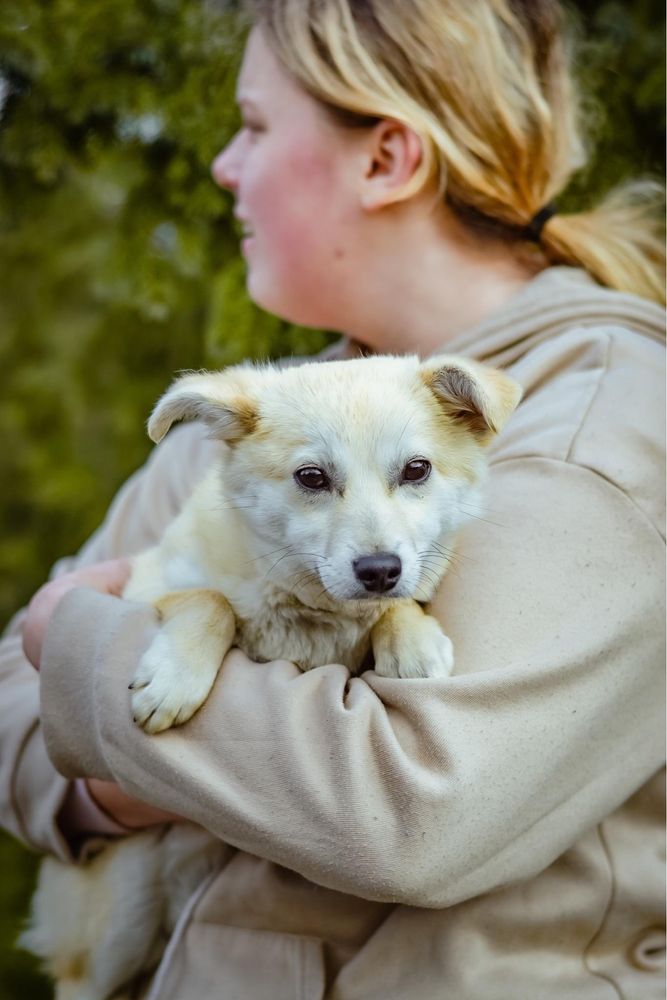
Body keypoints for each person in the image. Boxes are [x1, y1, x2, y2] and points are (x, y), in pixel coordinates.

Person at [2, 1, 665, 997]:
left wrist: (95, 661)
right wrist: (118, 778)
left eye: (256, 126)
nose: (226, 164)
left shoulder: (599, 425)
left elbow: (414, 809)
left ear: (388, 158)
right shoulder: (261, 427)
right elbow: (9, 693)